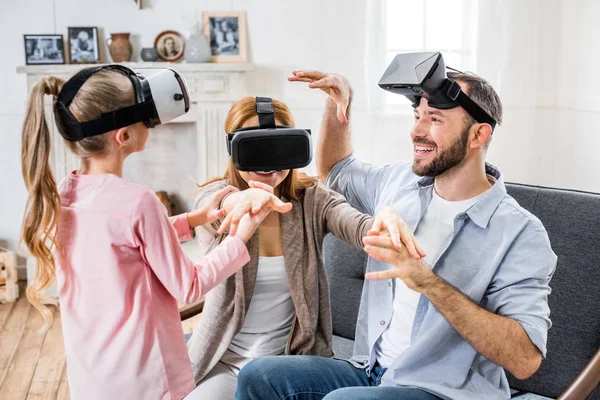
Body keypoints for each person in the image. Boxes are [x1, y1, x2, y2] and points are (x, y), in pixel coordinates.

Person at [236, 69, 557, 400]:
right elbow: (336, 171)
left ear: (478, 135)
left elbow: (525, 360)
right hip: (370, 371)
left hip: (443, 391)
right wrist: (338, 105)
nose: (416, 131)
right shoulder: (398, 183)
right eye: (417, 116)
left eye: (434, 119)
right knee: (259, 376)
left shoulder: (520, 232)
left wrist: (428, 282)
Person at [20, 68, 273, 400]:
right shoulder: (139, 202)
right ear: (124, 137)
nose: (152, 126)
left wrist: (194, 218)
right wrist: (241, 236)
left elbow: (120, 243)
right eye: (147, 121)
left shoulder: (66, 192)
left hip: (93, 377)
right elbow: (189, 285)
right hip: (146, 379)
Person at [184, 96, 415, 400]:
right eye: (255, 149)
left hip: (287, 364)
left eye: (278, 146)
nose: (268, 164)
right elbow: (213, 209)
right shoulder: (218, 199)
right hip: (223, 362)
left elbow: (353, 222)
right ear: (234, 150)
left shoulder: (312, 200)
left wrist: (383, 221)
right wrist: (238, 202)